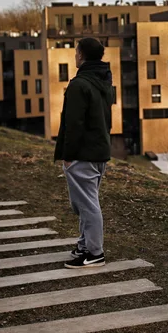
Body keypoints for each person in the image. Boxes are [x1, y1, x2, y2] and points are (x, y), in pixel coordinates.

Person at [54, 37, 114, 269]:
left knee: (87, 205)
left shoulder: (80, 85)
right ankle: (85, 245)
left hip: (83, 153)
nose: (74, 55)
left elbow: (73, 123)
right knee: (85, 202)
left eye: (76, 51)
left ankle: (95, 253)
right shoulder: (103, 81)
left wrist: (68, 155)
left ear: (82, 55)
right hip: (99, 150)